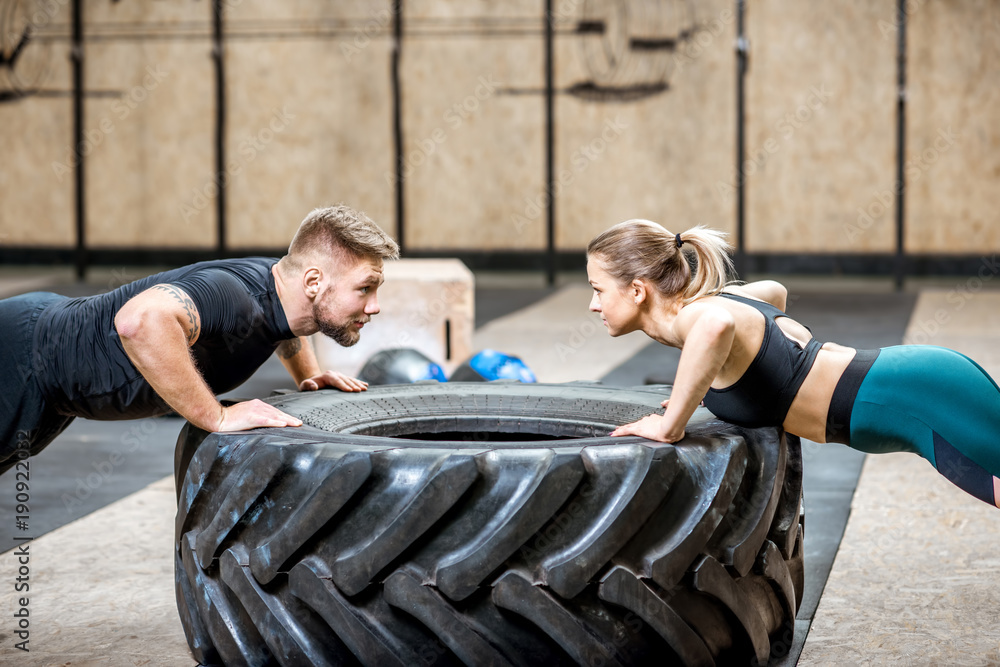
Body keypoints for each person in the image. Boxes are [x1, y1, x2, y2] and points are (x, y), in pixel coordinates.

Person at [589, 219, 1000, 508]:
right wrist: (711, 384)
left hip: (912, 397)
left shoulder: (696, 316)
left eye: (598, 290)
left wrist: (670, 424)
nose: (594, 305)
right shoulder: (714, 303)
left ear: (638, 290)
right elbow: (772, 292)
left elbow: (716, 328)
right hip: (914, 383)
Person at [0, 204, 399, 474]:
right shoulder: (233, 296)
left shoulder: (281, 288)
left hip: (53, 382)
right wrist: (217, 417)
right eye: (365, 288)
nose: (374, 306)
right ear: (313, 281)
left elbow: (284, 328)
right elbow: (139, 322)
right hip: (23, 355)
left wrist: (308, 376)